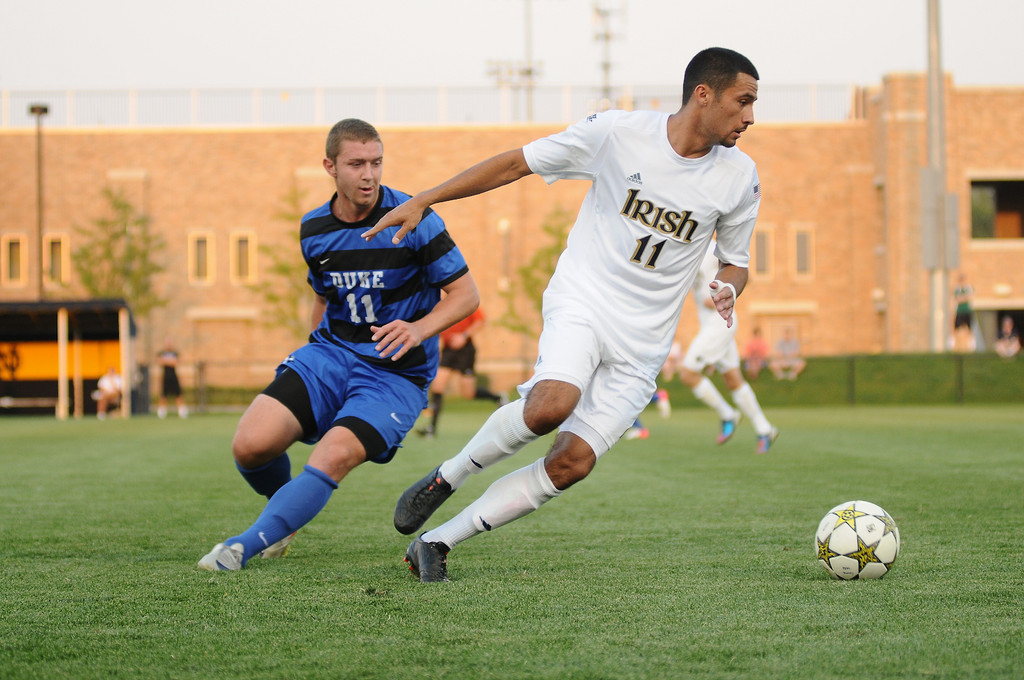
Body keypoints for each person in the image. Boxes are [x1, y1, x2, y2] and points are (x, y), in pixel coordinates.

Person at [362, 47, 761, 582]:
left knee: (572, 462)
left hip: (644, 343)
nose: (750, 116)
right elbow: (517, 162)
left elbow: (736, 261)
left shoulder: (740, 177)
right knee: (551, 405)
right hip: (585, 299)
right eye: (743, 101)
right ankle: (448, 475)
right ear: (704, 94)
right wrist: (427, 198)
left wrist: (729, 286)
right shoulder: (617, 133)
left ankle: (436, 542)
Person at [198, 118, 479, 571]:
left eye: (376, 162)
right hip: (329, 357)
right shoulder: (314, 228)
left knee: (332, 455)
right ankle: (286, 514)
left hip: (394, 373)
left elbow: (466, 295)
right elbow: (323, 295)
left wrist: (418, 329)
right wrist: (310, 351)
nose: (369, 174)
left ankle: (240, 548)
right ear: (330, 166)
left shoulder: (415, 217)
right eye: (356, 164)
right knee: (250, 446)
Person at [677, 241, 778, 453]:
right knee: (733, 379)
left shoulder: (713, 249)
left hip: (718, 324)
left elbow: (742, 271)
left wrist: (723, 294)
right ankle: (765, 429)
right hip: (714, 324)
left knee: (688, 374)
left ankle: (727, 414)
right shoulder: (688, 249)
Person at [418, 307, 507, 439]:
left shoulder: (466, 300)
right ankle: (431, 429)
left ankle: (497, 397)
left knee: (468, 394)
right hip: (449, 350)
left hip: (465, 351)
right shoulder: (438, 305)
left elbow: (480, 321)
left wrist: (463, 336)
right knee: (438, 387)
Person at [156, 338, 188, 419]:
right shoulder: (161, 353)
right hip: (165, 376)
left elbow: (176, 362)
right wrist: (170, 361)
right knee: (163, 395)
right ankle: (161, 412)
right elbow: (160, 361)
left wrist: (166, 361)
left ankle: (182, 412)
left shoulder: (174, 353)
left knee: (178, 394)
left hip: (173, 376)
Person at [952, 273, 975, 352]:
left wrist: (963, 298)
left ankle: (972, 346)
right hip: (959, 312)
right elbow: (958, 299)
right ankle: (953, 346)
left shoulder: (969, 288)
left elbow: (970, 297)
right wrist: (965, 298)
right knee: (956, 330)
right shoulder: (957, 289)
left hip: (967, 311)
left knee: (969, 329)